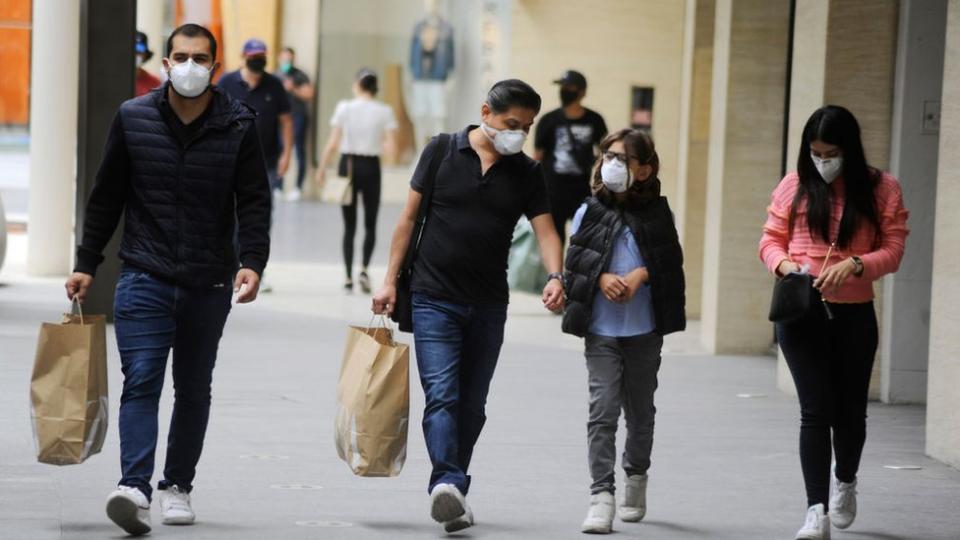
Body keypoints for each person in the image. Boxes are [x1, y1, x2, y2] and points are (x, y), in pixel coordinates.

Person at [63, 23, 271, 536]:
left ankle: (177, 485)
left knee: (194, 388)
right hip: (144, 274)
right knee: (142, 381)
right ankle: (134, 486)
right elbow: (106, 195)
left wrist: (252, 259)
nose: (190, 67)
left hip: (210, 280)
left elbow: (254, 199)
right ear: (165, 63)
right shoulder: (133, 118)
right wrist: (86, 262)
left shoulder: (240, 124)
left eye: (200, 59)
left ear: (214, 68)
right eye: (181, 56)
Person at [371, 79, 564, 533]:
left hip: (489, 304)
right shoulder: (441, 151)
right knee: (443, 395)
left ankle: (452, 493)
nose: (518, 133)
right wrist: (389, 281)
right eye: (512, 123)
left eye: (527, 127)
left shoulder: (526, 173)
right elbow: (408, 219)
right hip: (433, 297)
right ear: (486, 112)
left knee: (472, 406)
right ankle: (447, 481)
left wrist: (557, 275)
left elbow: (547, 230)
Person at [758, 105, 908, 540]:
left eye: (831, 153)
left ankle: (846, 480)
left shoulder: (882, 189)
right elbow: (769, 240)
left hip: (854, 315)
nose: (823, 161)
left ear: (849, 150)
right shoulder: (794, 185)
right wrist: (786, 265)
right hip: (801, 314)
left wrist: (858, 264)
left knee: (850, 413)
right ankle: (815, 509)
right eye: (816, 153)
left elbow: (894, 249)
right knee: (814, 410)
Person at [562, 129, 685, 534]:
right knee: (602, 412)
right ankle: (601, 495)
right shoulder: (588, 211)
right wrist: (600, 280)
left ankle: (636, 474)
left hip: (644, 330)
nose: (612, 164)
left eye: (624, 159)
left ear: (645, 169)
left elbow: (669, 263)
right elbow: (576, 266)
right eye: (608, 156)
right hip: (601, 330)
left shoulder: (658, 214)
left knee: (641, 412)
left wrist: (639, 274)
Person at [316, 68, 398, 294]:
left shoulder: (345, 108)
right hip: (371, 167)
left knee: (349, 224)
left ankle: (347, 277)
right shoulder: (385, 111)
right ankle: (364, 269)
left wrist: (322, 167)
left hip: (348, 165)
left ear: (357, 85)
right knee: (371, 222)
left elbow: (333, 142)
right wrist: (378, 144)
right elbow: (392, 149)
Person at [534, 70, 608, 246]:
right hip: (552, 192)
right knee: (554, 241)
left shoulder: (595, 120)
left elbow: (605, 153)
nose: (564, 90)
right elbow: (537, 158)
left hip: (581, 190)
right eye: (562, 87)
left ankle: (576, 273)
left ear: (582, 91)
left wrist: (601, 182)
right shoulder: (548, 120)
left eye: (569, 87)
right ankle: (556, 274)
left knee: (584, 240)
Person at [219, 38, 293, 197]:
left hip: (267, 160)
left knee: (262, 209)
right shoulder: (226, 82)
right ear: (243, 56)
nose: (258, 60)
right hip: (232, 159)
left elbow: (286, 121)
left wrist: (286, 155)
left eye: (261, 56)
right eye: (253, 56)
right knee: (232, 209)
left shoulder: (275, 85)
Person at [277, 47, 314, 201]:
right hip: (279, 119)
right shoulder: (275, 75)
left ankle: (298, 187)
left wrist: (293, 89)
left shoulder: (300, 75)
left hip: (298, 117)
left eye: (290, 59)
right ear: (279, 58)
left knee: (299, 151)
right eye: (284, 58)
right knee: (280, 150)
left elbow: (309, 94)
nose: (287, 62)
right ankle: (278, 186)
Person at [134, 31, 161, 97]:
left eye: (139, 51)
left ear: (145, 55)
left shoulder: (155, 84)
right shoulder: (112, 79)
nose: (135, 54)